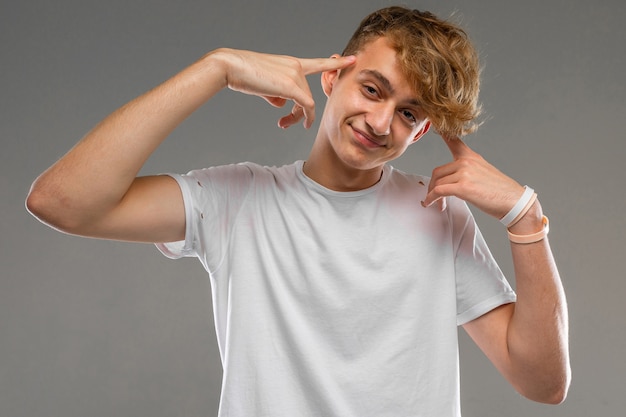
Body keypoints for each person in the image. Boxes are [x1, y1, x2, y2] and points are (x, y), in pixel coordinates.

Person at [26, 6, 570, 416]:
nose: (381, 122)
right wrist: (216, 69)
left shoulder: (440, 214)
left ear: (423, 129)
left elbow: (543, 383)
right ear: (332, 77)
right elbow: (61, 201)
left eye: (407, 113)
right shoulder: (237, 200)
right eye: (372, 89)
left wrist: (525, 216)